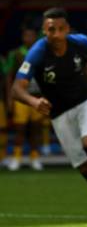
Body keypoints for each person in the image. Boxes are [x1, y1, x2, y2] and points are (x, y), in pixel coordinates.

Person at [12, 7, 87, 218]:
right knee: (83, 166)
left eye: (60, 29)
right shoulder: (38, 52)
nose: (55, 34)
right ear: (44, 32)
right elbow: (16, 88)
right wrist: (33, 101)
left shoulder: (80, 42)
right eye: (50, 29)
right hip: (59, 113)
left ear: (68, 29)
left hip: (86, 100)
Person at [5, 21, 46, 171]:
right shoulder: (15, 54)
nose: (28, 38)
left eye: (31, 35)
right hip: (21, 98)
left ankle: (35, 158)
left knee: (36, 129)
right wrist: (10, 97)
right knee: (20, 128)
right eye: (26, 35)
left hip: (37, 97)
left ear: (36, 37)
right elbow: (9, 77)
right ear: (22, 37)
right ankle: (17, 157)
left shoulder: (42, 53)